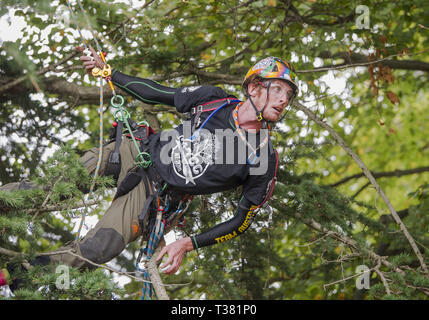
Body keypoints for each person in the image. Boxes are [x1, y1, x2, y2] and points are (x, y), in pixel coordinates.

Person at [0, 50, 298, 286]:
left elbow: (241, 222)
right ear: (255, 87)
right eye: (279, 90)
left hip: (153, 194)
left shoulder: (263, 158)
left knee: (101, 248)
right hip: (136, 151)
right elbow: (157, 93)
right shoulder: (214, 100)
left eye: (289, 96)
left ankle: (16, 273)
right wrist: (108, 72)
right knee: (57, 187)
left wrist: (188, 243)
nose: (284, 101)